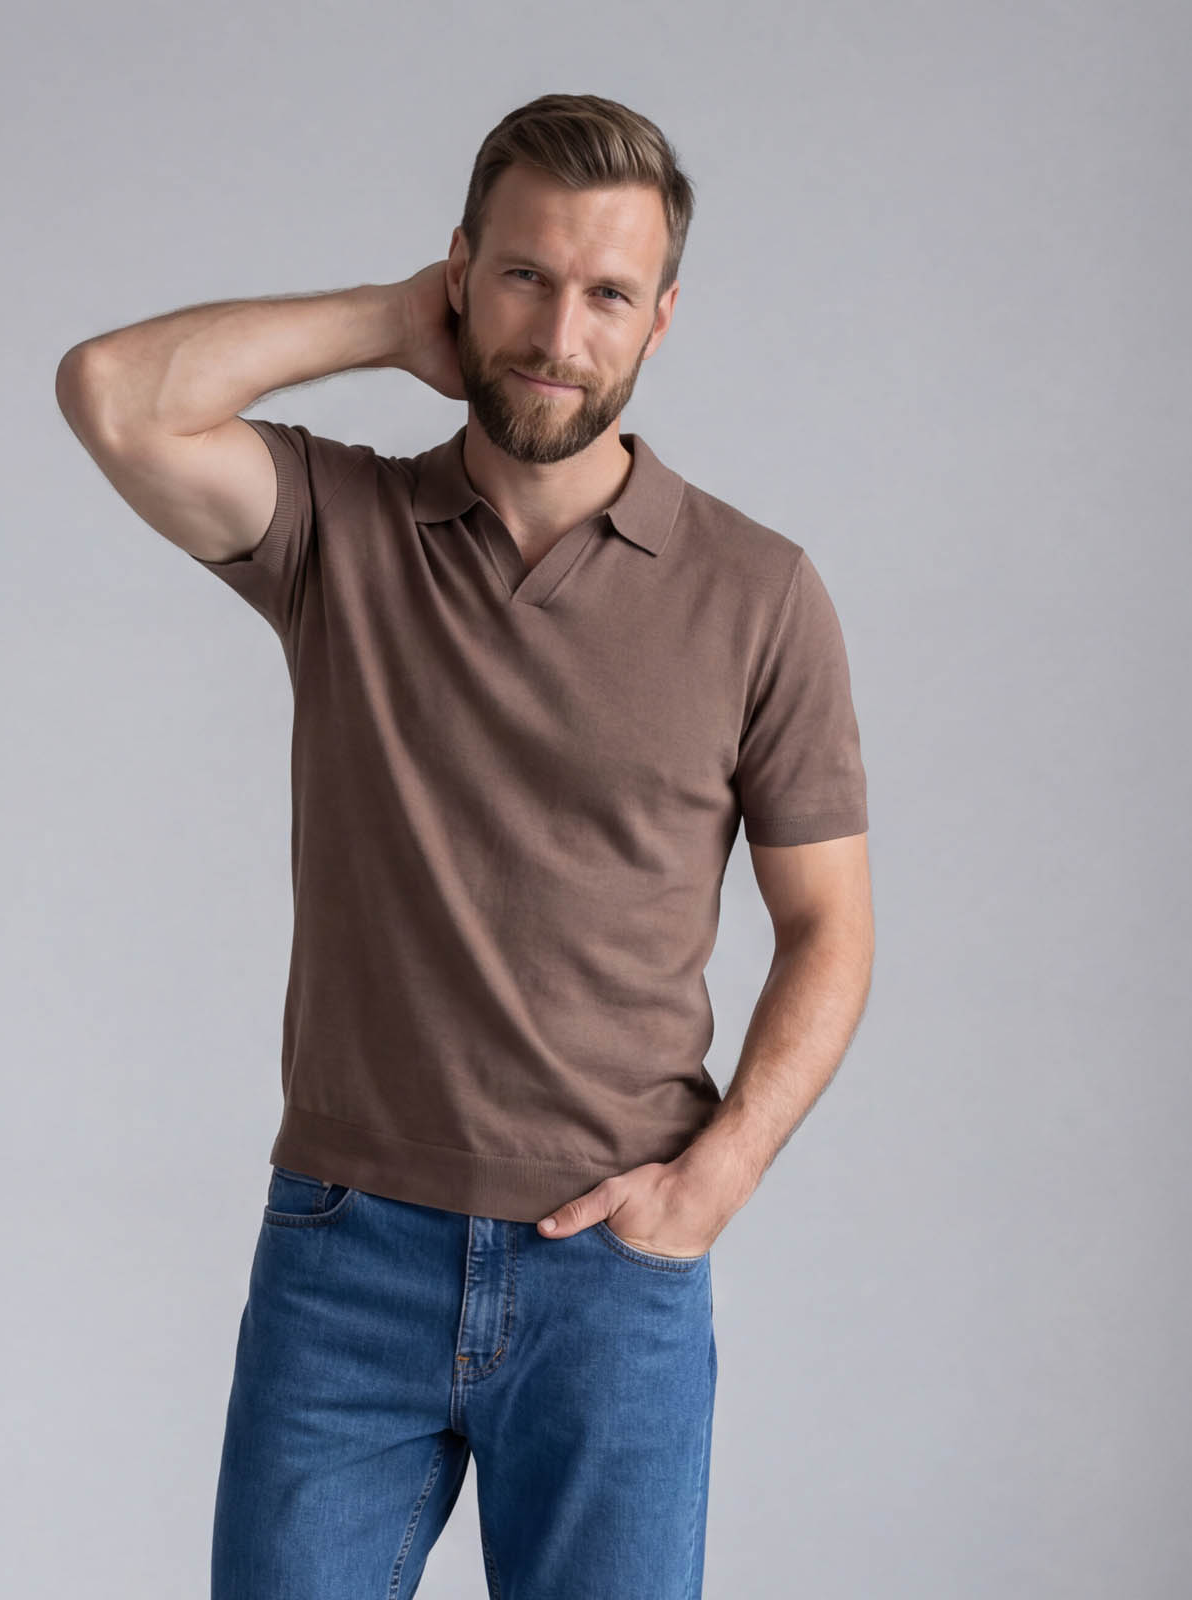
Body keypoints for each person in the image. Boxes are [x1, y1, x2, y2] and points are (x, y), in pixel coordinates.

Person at [56, 91, 874, 1600]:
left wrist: (718, 1179)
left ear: (662, 318)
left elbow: (832, 926)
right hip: (345, 1253)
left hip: (612, 1275)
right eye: (525, 276)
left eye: (608, 293)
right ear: (461, 276)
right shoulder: (340, 531)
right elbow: (111, 393)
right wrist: (384, 323)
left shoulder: (759, 593)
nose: (560, 332)